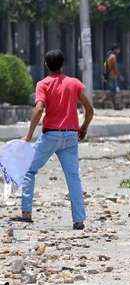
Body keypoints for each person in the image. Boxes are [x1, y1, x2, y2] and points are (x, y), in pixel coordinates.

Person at [11, 49, 94, 230]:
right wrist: (83, 128)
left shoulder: (43, 84)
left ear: (46, 65)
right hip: (71, 135)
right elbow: (89, 109)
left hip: (51, 135)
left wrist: (29, 135)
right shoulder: (74, 83)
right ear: (62, 64)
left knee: (29, 170)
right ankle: (78, 220)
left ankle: (26, 213)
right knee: (73, 177)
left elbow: (39, 109)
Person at [104, 45, 122, 110]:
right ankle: (115, 106)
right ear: (115, 50)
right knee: (114, 91)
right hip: (112, 76)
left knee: (112, 91)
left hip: (109, 75)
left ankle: (115, 105)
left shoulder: (109, 56)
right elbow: (115, 68)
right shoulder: (113, 57)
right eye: (118, 49)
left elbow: (106, 66)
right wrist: (119, 76)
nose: (119, 51)